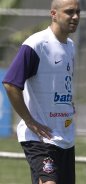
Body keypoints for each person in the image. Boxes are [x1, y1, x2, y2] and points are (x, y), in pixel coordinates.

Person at [2, 0, 80, 183]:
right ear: (54, 14)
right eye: (69, 12)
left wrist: (68, 104)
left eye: (78, 12)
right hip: (39, 139)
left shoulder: (70, 46)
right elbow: (11, 84)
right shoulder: (36, 44)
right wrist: (29, 120)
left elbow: (61, 82)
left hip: (64, 135)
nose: (75, 17)